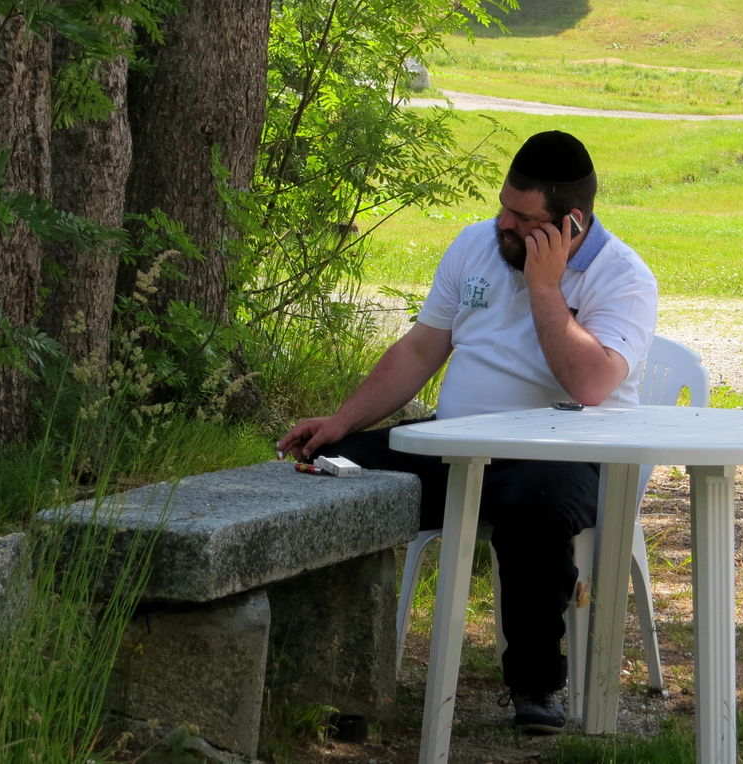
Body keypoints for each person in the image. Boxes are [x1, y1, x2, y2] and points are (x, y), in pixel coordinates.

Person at [277, 129, 658, 734]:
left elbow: (589, 385)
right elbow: (422, 348)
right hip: (455, 442)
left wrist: (545, 288)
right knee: (331, 473)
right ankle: (333, 681)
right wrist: (343, 422)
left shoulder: (624, 279)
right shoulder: (475, 244)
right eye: (504, 204)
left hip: (563, 456)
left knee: (535, 506)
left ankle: (535, 686)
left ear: (572, 226)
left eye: (523, 217)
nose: (503, 223)